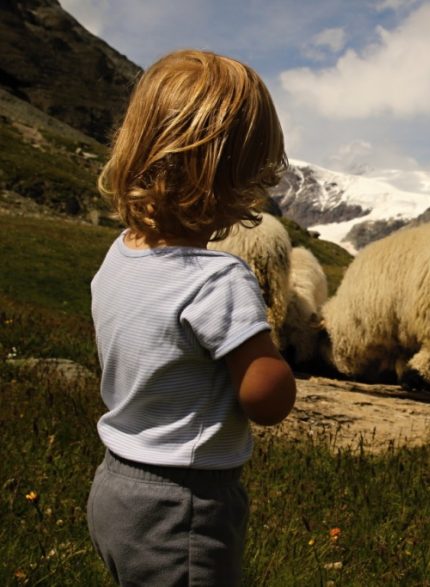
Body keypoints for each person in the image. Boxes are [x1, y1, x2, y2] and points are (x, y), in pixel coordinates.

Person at [87, 49, 297, 586]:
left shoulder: (120, 255)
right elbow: (264, 399)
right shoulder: (216, 280)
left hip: (115, 483)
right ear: (235, 180)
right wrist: (274, 367)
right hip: (184, 501)